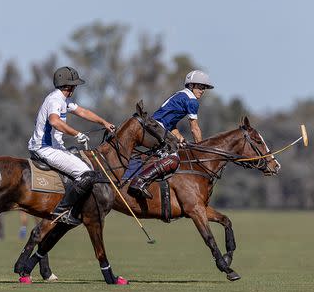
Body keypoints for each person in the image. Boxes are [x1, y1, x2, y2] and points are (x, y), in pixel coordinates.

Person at [28, 66, 115, 225]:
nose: (75, 88)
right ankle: (62, 211)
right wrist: (77, 134)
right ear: (69, 86)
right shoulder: (55, 100)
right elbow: (54, 121)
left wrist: (104, 122)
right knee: (87, 174)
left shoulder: (63, 99)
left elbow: (82, 112)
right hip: (45, 148)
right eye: (74, 85)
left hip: (52, 147)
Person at [127, 70, 213, 199]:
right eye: (200, 86)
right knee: (174, 158)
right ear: (191, 86)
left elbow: (171, 123)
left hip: (156, 126)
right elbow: (194, 128)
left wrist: (179, 137)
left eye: (204, 88)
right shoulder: (192, 100)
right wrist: (200, 149)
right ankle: (139, 181)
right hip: (157, 128)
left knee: (172, 153)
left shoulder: (182, 95)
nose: (202, 90)